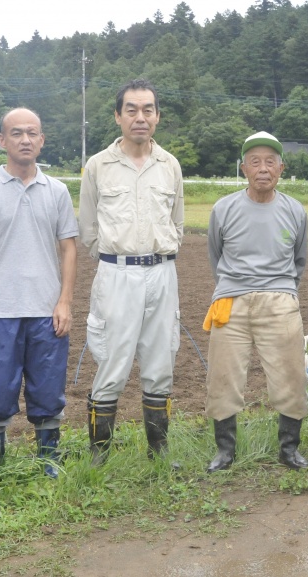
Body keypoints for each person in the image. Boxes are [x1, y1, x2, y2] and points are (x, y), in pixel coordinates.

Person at [0, 108, 78, 481]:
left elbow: (69, 249)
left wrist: (65, 302)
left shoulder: (58, 191)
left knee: (48, 388)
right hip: (0, 312)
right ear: (2, 141)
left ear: (42, 140)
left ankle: (49, 459)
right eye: (16, 133)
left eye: (32, 133)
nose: (25, 140)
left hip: (47, 311)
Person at [78, 78, 184, 464]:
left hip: (162, 273)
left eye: (148, 110)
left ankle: (159, 451)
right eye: (132, 110)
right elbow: (89, 229)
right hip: (117, 274)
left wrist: (158, 256)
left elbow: (178, 224)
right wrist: (117, 261)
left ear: (157, 116)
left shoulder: (169, 165)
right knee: (111, 362)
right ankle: (99, 456)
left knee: (160, 362)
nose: (141, 117)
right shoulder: (98, 166)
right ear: (118, 116)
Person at [203, 132, 308, 473]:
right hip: (230, 301)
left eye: (270, 162)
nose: (263, 169)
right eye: (255, 162)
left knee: (291, 375)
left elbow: (300, 261)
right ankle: (225, 451)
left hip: (280, 299)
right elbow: (215, 255)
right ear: (243, 168)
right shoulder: (224, 208)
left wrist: (281, 291)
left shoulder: (295, 211)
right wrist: (233, 288)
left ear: (281, 167)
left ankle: (289, 449)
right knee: (223, 376)